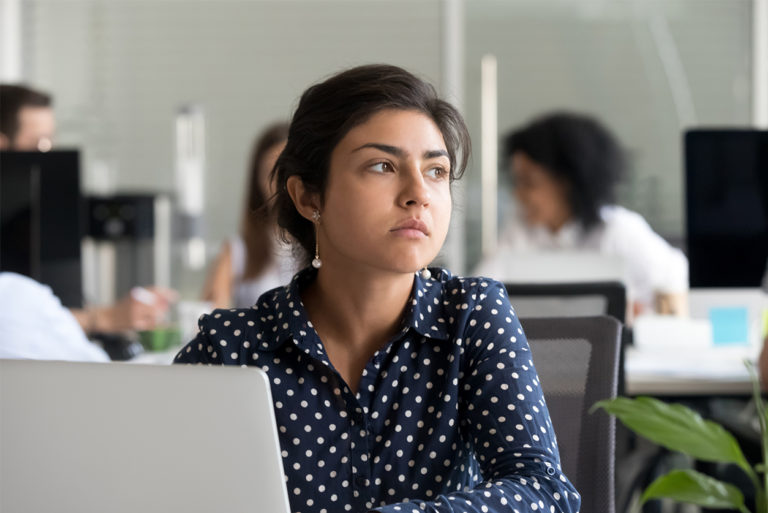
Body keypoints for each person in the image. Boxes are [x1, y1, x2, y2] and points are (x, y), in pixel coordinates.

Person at [175, 64, 580, 513]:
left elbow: (543, 492)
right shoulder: (231, 349)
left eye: (436, 170)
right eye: (382, 165)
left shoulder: (471, 316)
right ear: (310, 197)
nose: (418, 193)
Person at [0, 83, 175, 335]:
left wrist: (104, 315)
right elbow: (11, 315)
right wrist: (102, 318)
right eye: (38, 142)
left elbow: (53, 303)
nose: (48, 151)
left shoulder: (36, 215)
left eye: (51, 139)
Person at [474, 111, 688, 316]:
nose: (518, 194)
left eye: (529, 183)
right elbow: (480, 292)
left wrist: (645, 315)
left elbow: (675, 279)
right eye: (516, 181)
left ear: (566, 183)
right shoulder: (520, 229)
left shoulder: (618, 230)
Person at [201, 122, 297, 308]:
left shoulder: (323, 246)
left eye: (287, 172)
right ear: (257, 182)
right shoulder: (238, 250)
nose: (279, 184)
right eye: (270, 174)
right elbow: (208, 315)